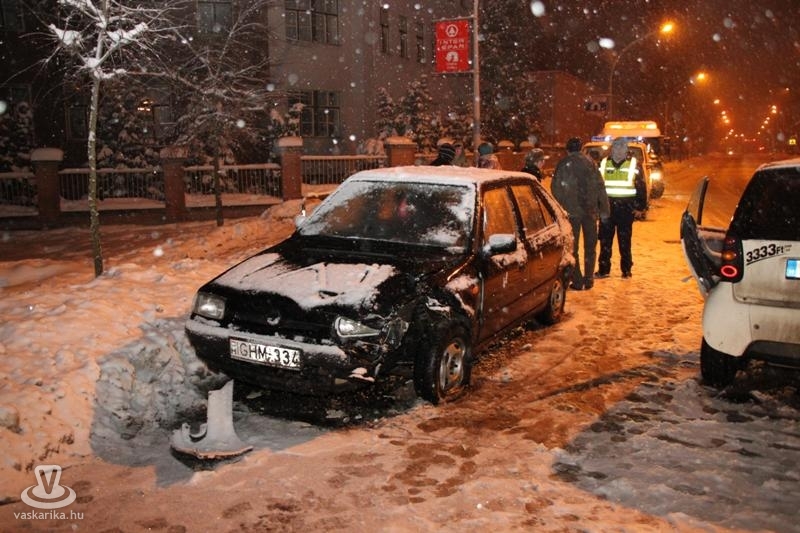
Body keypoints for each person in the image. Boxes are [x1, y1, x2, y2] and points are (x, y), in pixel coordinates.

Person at [551, 137, 610, 290]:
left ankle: (577, 279)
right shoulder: (591, 163)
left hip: (571, 213)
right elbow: (600, 187)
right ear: (581, 148)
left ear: (568, 149)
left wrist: (561, 208)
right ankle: (589, 279)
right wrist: (604, 209)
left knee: (573, 248)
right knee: (590, 246)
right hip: (590, 211)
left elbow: (556, 189)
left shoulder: (563, 164)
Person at [595, 137, 648, 279]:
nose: (618, 150)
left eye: (621, 147)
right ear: (612, 149)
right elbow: (596, 186)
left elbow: (641, 186)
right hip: (607, 209)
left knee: (625, 241)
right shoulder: (603, 164)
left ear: (626, 150)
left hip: (626, 209)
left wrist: (640, 207)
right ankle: (603, 269)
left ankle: (626, 269)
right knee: (605, 241)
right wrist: (596, 205)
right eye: (616, 147)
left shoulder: (634, 165)